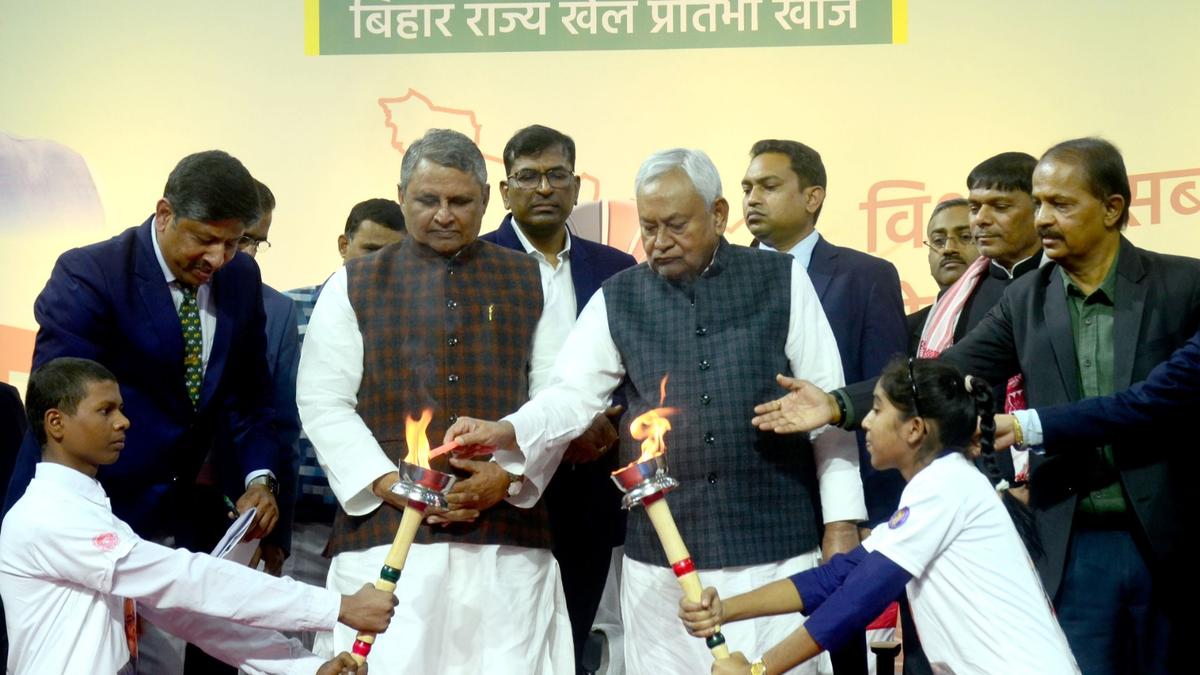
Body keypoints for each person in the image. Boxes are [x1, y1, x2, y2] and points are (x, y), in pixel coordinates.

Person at [752, 138, 1200, 675]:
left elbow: (1156, 400)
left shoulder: (1185, 286)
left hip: (1172, 539)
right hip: (1072, 544)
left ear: (1112, 208)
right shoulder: (1026, 298)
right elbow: (946, 369)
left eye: (1060, 204)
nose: (1043, 218)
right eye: (1038, 203)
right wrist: (836, 404)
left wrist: (1028, 425)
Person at [446, 148, 865, 675]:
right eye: (648, 227)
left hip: (776, 554)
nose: (660, 241)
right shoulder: (619, 296)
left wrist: (841, 524)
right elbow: (571, 395)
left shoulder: (781, 280)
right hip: (659, 567)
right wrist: (509, 429)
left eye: (676, 225)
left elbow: (826, 407)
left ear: (718, 214)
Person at [297, 129, 571, 673]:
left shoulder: (535, 280)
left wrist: (508, 476)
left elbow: (559, 397)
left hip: (507, 543)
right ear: (401, 197)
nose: (444, 215)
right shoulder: (353, 283)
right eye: (428, 200)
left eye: (460, 201)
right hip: (382, 540)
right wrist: (388, 484)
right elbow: (323, 402)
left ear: (487, 200)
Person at [3, 149, 286, 672]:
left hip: (183, 527)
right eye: (204, 239)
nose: (218, 258)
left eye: (233, 242)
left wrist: (259, 478)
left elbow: (251, 397)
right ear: (164, 214)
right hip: (88, 522)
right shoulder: (91, 274)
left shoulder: (241, 279)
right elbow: (59, 405)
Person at [0, 357, 397, 675]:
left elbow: (190, 615)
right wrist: (337, 607)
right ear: (56, 423)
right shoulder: (47, 516)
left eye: (121, 408)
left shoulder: (93, 515)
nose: (123, 421)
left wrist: (305, 667)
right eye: (105, 410)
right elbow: (186, 579)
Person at [681, 358, 1078, 675]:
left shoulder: (944, 485)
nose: (866, 422)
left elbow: (860, 596)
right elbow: (837, 577)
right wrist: (725, 610)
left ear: (914, 429)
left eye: (876, 409)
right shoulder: (941, 485)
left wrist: (759, 670)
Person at [743, 139, 907, 675]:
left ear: (812, 197)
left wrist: (860, 512)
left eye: (769, 186)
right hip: (757, 495)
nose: (752, 198)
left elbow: (884, 390)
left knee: (845, 642)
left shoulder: (866, 276)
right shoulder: (724, 278)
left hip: (844, 491)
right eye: (747, 187)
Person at [480, 124, 636, 673]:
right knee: (504, 646)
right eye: (528, 176)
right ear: (505, 191)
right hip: (501, 483)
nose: (543, 188)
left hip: (589, 480)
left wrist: (606, 422)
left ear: (576, 186)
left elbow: (633, 366)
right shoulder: (476, 262)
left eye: (556, 175)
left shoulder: (617, 269)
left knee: (575, 638)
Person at [285, 197, 407, 591]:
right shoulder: (290, 309)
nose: (380, 264)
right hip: (301, 519)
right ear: (343, 245)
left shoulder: (411, 324)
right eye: (370, 250)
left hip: (376, 516)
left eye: (394, 254)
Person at [907, 199, 980, 354]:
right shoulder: (908, 328)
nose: (948, 249)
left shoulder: (1004, 309)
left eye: (965, 237)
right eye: (938, 241)